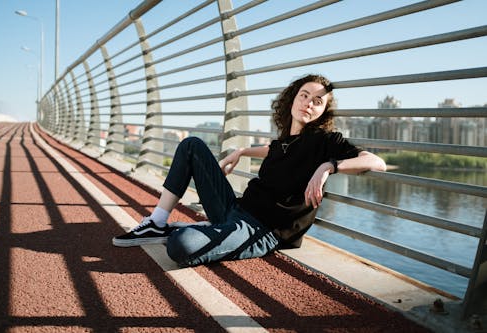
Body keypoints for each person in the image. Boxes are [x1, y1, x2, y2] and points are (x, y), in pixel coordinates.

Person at [112, 74, 386, 267]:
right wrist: (242, 151)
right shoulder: (284, 141)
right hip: (236, 208)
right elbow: (273, 149)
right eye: (304, 95)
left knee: (181, 246)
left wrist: (329, 166)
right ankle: (158, 222)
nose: (309, 103)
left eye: (317, 101)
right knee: (192, 144)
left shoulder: (326, 142)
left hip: (262, 231)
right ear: (292, 99)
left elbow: (376, 162)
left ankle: (194, 231)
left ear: (323, 111)